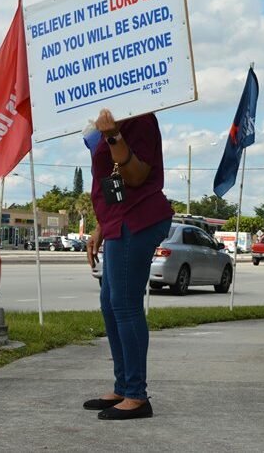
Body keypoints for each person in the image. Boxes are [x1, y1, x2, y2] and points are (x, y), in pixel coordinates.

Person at [84, 108, 173, 420]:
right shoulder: (119, 119)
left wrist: (112, 135)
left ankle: (136, 394)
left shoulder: (140, 119)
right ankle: (124, 386)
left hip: (138, 218)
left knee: (125, 304)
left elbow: (135, 175)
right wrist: (100, 227)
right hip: (119, 219)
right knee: (110, 304)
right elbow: (113, 182)